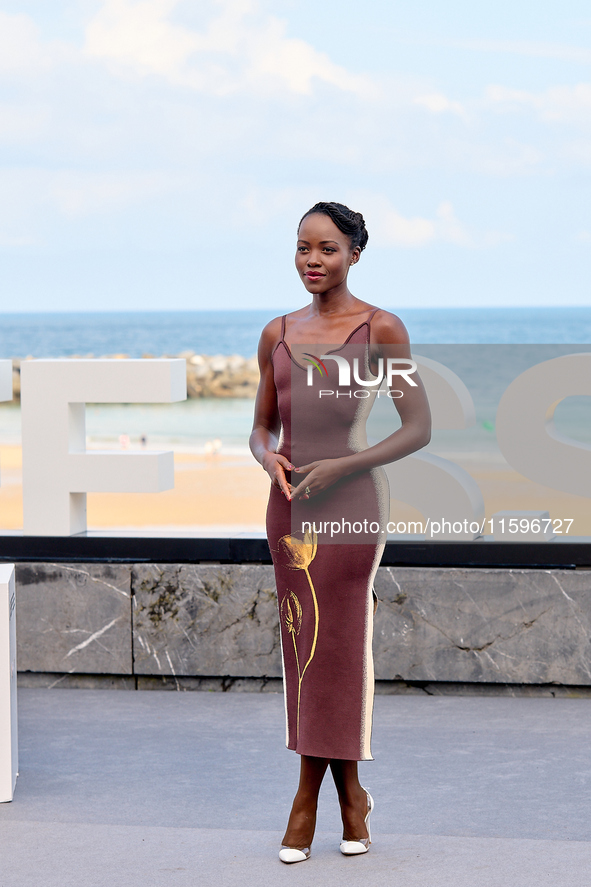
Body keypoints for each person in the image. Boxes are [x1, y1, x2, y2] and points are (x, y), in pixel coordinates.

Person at [249, 201, 431, 863]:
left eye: (326, 248)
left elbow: (416, 427)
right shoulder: (276, 332)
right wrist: (265, 457)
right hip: (287, 506)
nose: (312, 260)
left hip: (351, 502)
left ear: (354, 252)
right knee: (302, 648)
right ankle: (350, 793)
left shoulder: (380, 327)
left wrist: (343, 466)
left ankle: (304, 800)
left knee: (339, 649)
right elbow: (260, 426)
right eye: (302, 248)